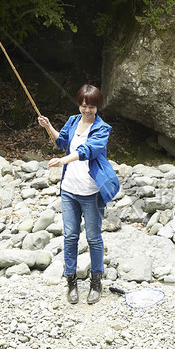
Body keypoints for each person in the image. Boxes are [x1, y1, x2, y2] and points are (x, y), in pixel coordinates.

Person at [38, 84, 120, 305]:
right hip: (69, 191)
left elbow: (88, 151)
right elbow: (61, 142)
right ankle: (71, 282)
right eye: (84, 105)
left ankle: (96, 282)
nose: (87, 110)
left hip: (91, 192)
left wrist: (63, 160)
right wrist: (48, 127)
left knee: (93, 238)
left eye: (92, 106)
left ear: (97, 107)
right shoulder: (74, 121)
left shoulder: (102, 129)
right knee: (70, 236)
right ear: (79, 104)